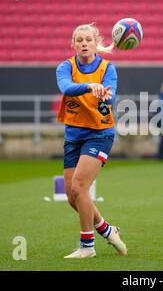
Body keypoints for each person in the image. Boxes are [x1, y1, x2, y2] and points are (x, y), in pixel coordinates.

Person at [56, 23, 127, 259]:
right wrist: (89, 86)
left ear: (96, 42)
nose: (84, 43)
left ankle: (87, 247)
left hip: (100, 134)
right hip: (73, 135)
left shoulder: (108, 68)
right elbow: (66, 87)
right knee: (71, 197)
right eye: (79, 40)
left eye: (88, 39)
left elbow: (111, 94)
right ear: (73, 44)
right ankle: (108, 229)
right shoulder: (65, 67)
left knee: (79, 187)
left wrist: (104, 95)